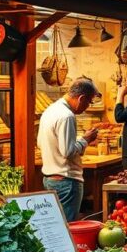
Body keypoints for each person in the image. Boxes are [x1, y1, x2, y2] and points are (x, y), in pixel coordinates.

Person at [38, 78, 100, 221]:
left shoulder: (50, 110)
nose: (87, 107)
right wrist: (85, 140)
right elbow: (67, 151)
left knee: (57, 224)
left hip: (50, 178)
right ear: (81, 98)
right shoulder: (67, 116)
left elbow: (40, 143)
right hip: (66, 181)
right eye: (89, 102)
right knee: (68, 227)